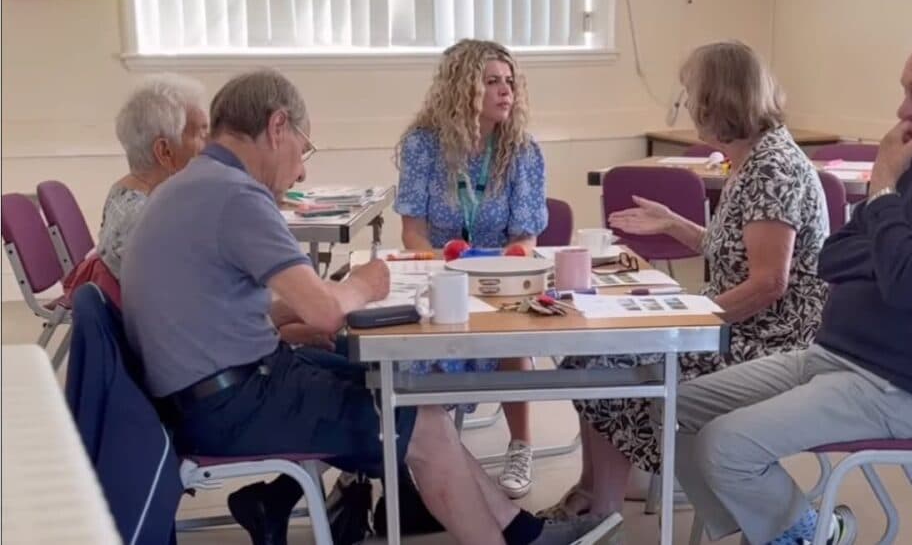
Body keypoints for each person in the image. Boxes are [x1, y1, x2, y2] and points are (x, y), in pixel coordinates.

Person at [121, 69, 615, 545]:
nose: (303, 167)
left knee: (413, 400)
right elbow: (327, 313)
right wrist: (362, 284)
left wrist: (285, 315)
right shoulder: (237, 197)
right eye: (303, 146)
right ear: (277, 127)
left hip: (207, 392)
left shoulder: (192, 185)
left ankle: (519, 532)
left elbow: (214, 307)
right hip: (230, 404)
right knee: (417, 423)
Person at [669, 20, 912, 545]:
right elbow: (833, 255)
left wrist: (884, 188)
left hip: (901, 387)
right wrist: (908, 269)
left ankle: (803, 535)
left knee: (725, 447)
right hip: (830, 357)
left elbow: (906, 273)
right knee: (670, 406)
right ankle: (770, 530)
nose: (902, 112)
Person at [549, 41, 830, 519]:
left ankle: (604, 515)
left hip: (765, 341)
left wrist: (686, 318)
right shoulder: (752, 159)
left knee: (606, 368)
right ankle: (592, 494)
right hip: (736, 327)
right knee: (587, 357)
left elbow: (768, 283)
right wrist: (674, 223)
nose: (685, 103)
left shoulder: (771, 168)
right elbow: (739, 253)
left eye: (689, 92)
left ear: (716, 100)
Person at [395, 39, 548, 498]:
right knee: (421, 350)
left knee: (512, 330)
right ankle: (439, 451)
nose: (506, 92)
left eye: (510, 82)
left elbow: (524, 236)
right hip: (439, 271)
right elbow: (412, 232)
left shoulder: (521, 149)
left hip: (499, 275)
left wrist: (506, 266)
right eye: (492, 82)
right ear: (463, 89)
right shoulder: (423, 145)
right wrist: (442, 269)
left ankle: (521, 445)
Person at [62, 73, 209, 305]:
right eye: (200, 133)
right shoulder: (150, 223)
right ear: (165, 152)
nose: (209, 143)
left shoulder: (126, 191)